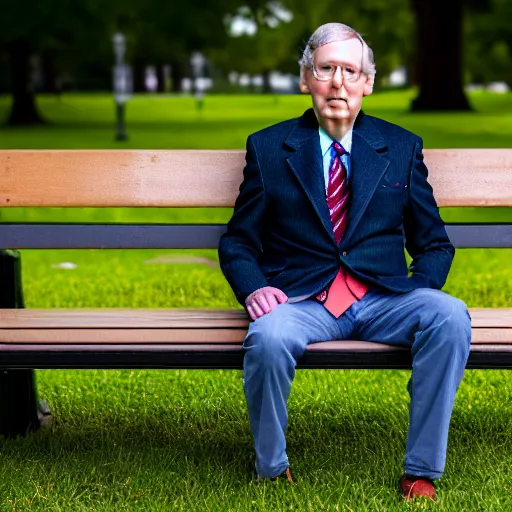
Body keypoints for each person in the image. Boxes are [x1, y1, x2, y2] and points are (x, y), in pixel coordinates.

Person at [218, 22, 471, 501]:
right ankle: (272, 468)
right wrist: (255, 288)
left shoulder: (400, 147)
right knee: (268, 338)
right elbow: (237, 242)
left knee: (450, 315)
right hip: (303, 299)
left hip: (383, 298)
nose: (338, 82)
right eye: (326, 69)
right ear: (305, 79)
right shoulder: (271, 148)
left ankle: (420, 471)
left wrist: (420, 288)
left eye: (350, 71)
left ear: (367, 83)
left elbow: (435, 243)